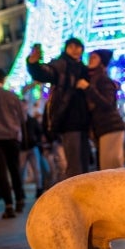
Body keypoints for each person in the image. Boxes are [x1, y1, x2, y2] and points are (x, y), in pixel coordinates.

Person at [27, 38, 91, 178]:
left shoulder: (83, 68)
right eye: (71, 46)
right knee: (75, 165)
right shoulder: (61, 64)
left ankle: (85, 193)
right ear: (66, 49)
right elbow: (45, 72)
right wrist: (33, 64)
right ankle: (74, 195)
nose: (75, 49)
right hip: (69, 120)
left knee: (85, 163)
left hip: (84, 121)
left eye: (78, 46)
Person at [77, 49, 125, 169]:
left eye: (94, 58)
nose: (90, 59)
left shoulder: (103, 79)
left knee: (111, 167)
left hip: (110, 127)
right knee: (108, 167)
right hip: (104, 128)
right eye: (90, 57)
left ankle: (121, 188)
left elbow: (107, 103)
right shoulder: (94, 78)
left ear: (101, 62)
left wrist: (88, 88)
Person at [0, 68, 26, 218]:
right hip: (12, 136)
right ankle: (19, 200)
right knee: (14, 168)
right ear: (3, 79)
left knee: (1, 172)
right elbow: (22, 118)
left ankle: (8, 206)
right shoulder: (12, 96)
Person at [19, 100, 45, 198]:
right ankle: (20, 191)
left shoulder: (32, 120)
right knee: (21, 170)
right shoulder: (18, 121)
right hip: (22, 149)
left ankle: (39, 189)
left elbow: (39, 132)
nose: (23, 108)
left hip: (33, 147)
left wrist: (36, 141)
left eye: (24, 106)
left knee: (37, 169)